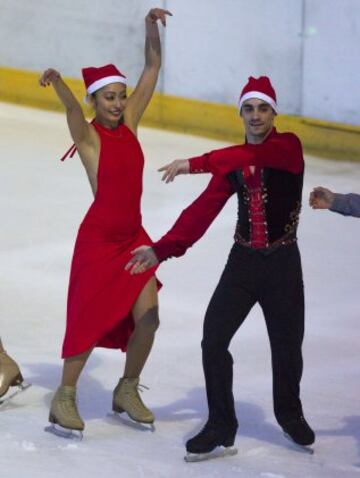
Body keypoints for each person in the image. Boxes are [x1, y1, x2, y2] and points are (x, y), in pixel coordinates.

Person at [126, 76, 315, 456]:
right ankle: (220, 424)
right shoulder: (233, 165)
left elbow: (251, 157)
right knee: (213, 340)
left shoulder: (287, 147)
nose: (256, 115)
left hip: (282, 264)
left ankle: (289, 413)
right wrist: (162, 249)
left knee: (287, 346)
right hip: (243, 263)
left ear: (274, 113)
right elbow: (201, 212)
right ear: (240, 114)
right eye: (249, 108)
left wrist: (193, 164)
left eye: (263, 108)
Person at [39, 7, 172, 434]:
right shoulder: (90, 138)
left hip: (133, 237)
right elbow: (73, 116)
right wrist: (60, 85)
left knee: (149, 316)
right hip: (98, 241)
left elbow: (152, 66)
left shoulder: (130, 122)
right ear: (94, 99)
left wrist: (149, 28)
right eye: (108, 97)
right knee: (87, 322)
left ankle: (127, 388)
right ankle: (64, 396)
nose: (116, 104)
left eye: (120, 95)